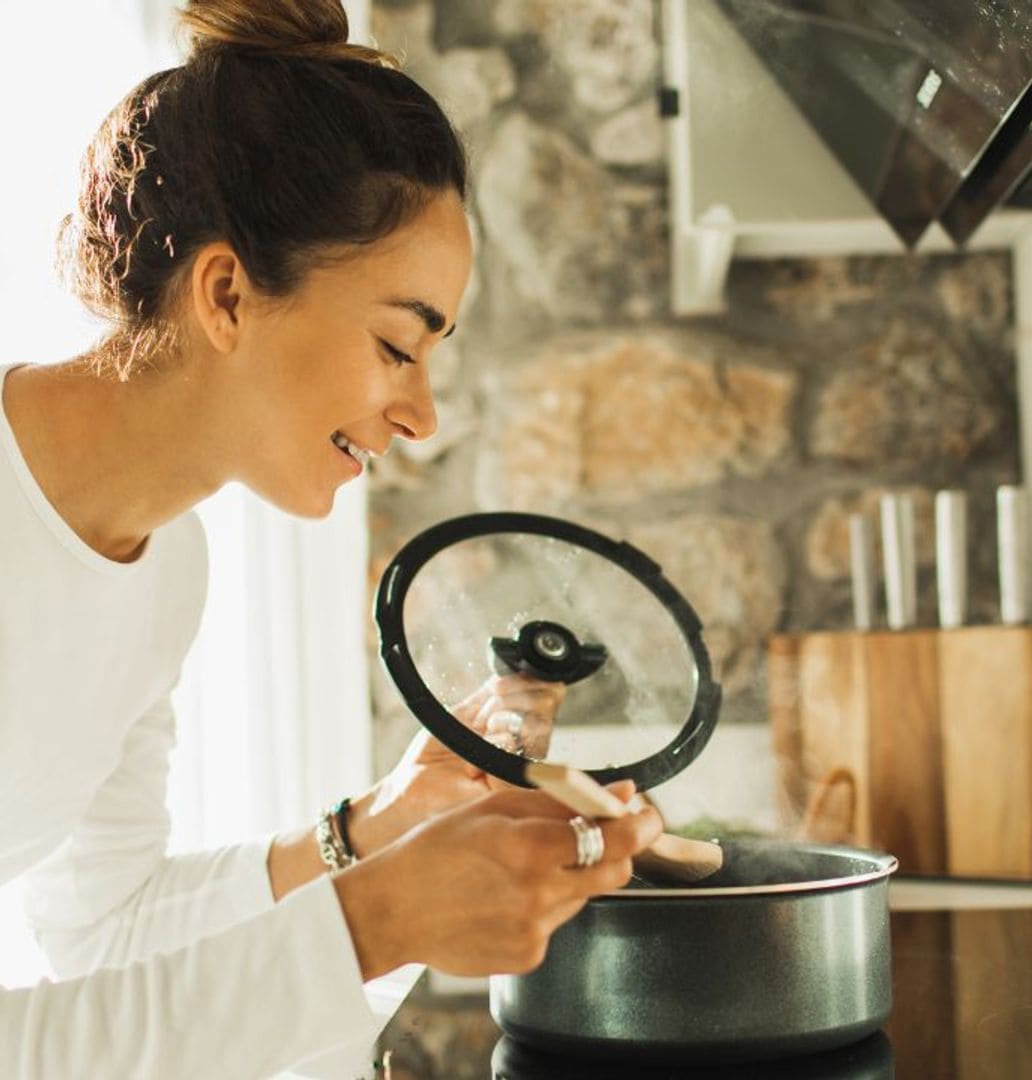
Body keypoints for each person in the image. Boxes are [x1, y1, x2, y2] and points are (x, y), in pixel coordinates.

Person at [0, 1, 662, 1075]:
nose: (424, 414)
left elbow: (100, 934)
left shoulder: (169, 566)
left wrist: (377, 830)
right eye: (399, 344)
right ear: (227, 293)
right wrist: (369, 924)